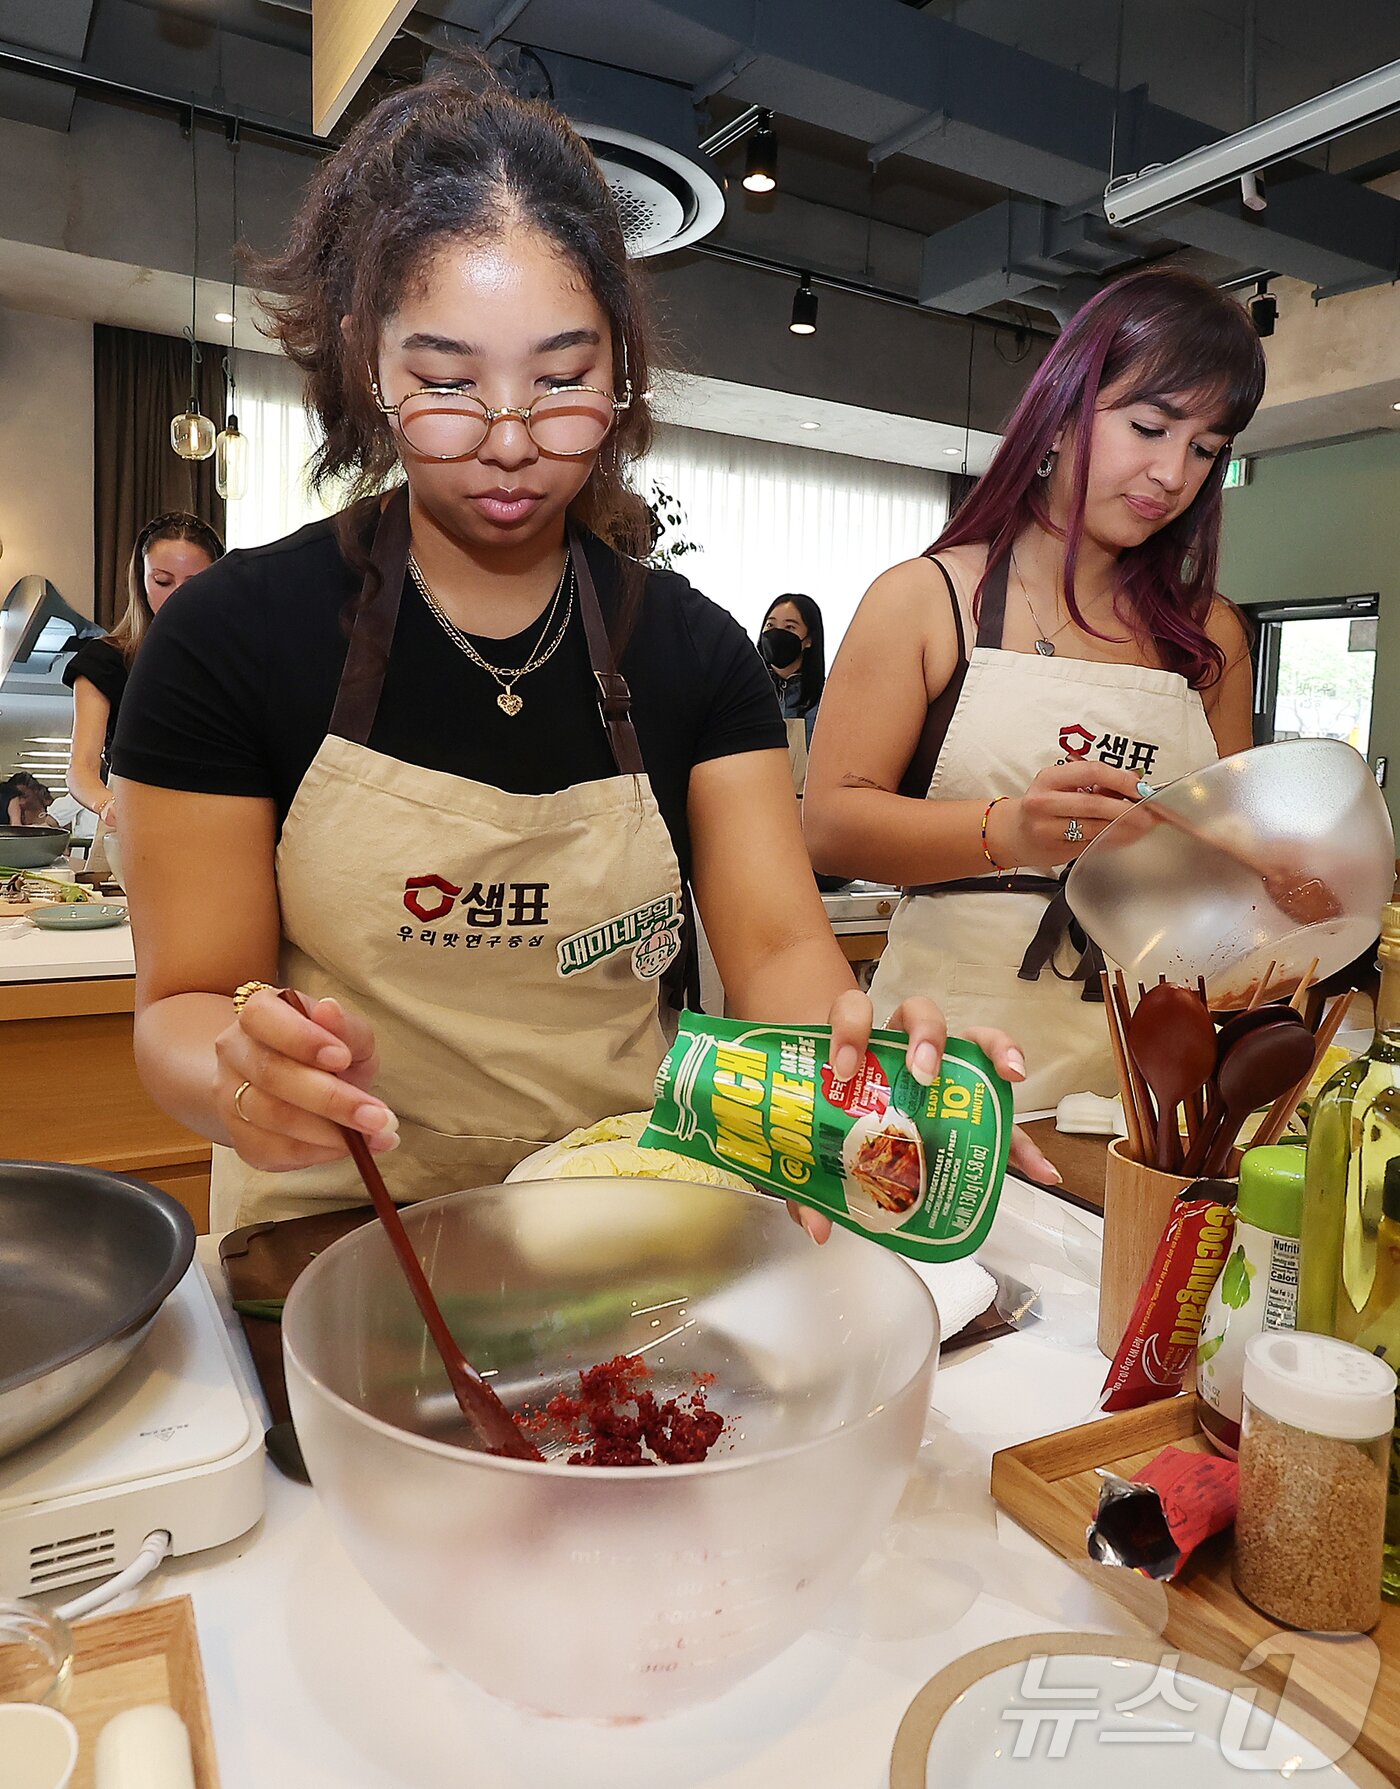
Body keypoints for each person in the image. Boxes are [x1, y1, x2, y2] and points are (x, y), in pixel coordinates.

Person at [111, 68, 1051, 1232]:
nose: (509, 441)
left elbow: (772, 956)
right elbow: (183, 1008)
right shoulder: (231, 637)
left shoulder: (697, 655)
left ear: (621, 374)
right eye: (447, 382)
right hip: (337, 1230)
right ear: (368, 364)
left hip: (620, 1221)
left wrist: (859, 1059)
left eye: (561, 381)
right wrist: (242, 1074)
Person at [804, 269, 1265, 1112]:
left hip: (1144, 1070)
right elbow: (831, 823)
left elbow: (1226, 872)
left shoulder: (1210, 639)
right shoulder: (927, 600)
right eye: (1150, 426)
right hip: (949, 1054)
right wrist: (1008, 828)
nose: (1172, 473)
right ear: (1059, 414)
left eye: (1205, 448)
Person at [64, 512, 224, 833]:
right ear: (142, 580)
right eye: (163, 581)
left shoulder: (234, 663)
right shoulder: (106, 660)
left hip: (219, 825)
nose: (178, 595)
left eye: (196, 584)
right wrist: (108, 804)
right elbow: (81, 769)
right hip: (132, 827)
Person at [758, 593, 825, 798]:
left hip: (808, 810)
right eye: (770, 625)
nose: (777, 633)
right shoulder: (746, 694)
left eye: (790, 627)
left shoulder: (826, 699)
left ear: (809, 640)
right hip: (756, 804)